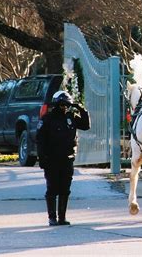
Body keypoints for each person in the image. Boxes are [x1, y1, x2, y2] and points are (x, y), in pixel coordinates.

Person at [36, 90, 90, 226]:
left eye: (66, 105)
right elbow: (40, 140)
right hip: (51, 159)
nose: (64, 108)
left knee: (65, 189)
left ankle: (62, 217)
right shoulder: (47, 119)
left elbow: (85, 125)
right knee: (52, 188)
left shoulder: (71, 117)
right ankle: (52, 217)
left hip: (67, 159)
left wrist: (81, 109)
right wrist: (42, 159)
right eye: (61, 105)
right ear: (56, 105)